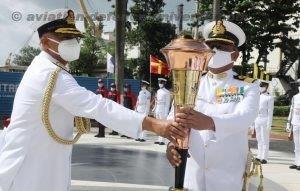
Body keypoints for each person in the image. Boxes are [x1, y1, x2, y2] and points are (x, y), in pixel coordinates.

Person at [0, 9, 188, 191]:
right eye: (64, 38)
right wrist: (156, 125)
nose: (72, 42)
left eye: (73, 38)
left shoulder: (48, 67)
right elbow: (99, 107)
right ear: (45, 42)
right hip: (31, 168)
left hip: (41, 161)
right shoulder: (50, 74)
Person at [166, 20, 260, 191]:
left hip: (226, 174)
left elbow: (245, 117)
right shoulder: (191, 82)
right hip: (191, 171)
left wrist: (211, 122)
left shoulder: (248, 86)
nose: (215, 51)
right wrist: (172, 144)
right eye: (211, 45)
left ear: (235, 55)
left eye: (223, 47)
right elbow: (173, 119)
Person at [253, 81, 274, 164]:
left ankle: (264, 157)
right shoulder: (258, 96)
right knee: (259, 139)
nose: (260, 87)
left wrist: (269, 123)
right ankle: (259, 155)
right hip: (257, 119)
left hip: (265, 120)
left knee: (265, 139)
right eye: (260, 85)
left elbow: (270, 112)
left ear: (266, 86)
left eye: (262, 86)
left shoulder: (270, 97)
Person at [153, 78, 171, 145]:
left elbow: (167, 103)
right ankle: (159, 139)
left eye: (161, 83)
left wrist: (166, 113)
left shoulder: (167, 92)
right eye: (159, 82)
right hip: (158, 108)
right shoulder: (158, 91)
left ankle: (162, 140)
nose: (160, 84)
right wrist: (155, 110)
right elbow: (156, 102)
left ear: (164, 83)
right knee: (158, 125)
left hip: (163, 109)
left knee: (162, 125)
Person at [287, 86, 300, 170]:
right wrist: (288, 124)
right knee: (296, 144)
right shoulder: (295, 97)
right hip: (295, 122)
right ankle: (297, 162)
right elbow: (291, 110)